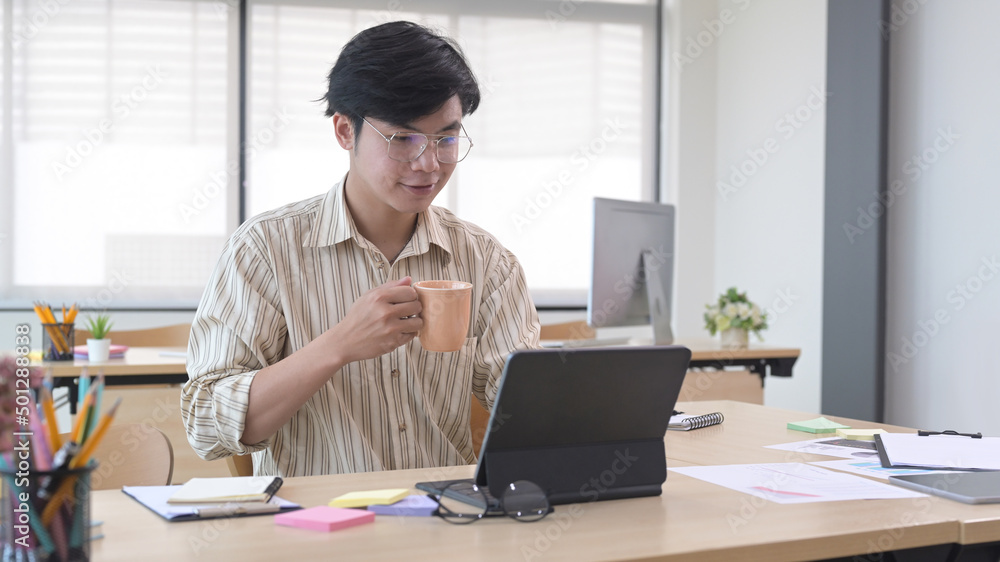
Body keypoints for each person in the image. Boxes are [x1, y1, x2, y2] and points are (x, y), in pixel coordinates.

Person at [181, 21, 540, 477]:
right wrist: (339, 345)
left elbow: (528, 404)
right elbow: (206, 425)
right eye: (404, 138)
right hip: (314, 529)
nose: (429, 163)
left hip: (444, 522)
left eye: (446, 138)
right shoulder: (265, 250)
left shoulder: (486, 261)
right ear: (345, 132)